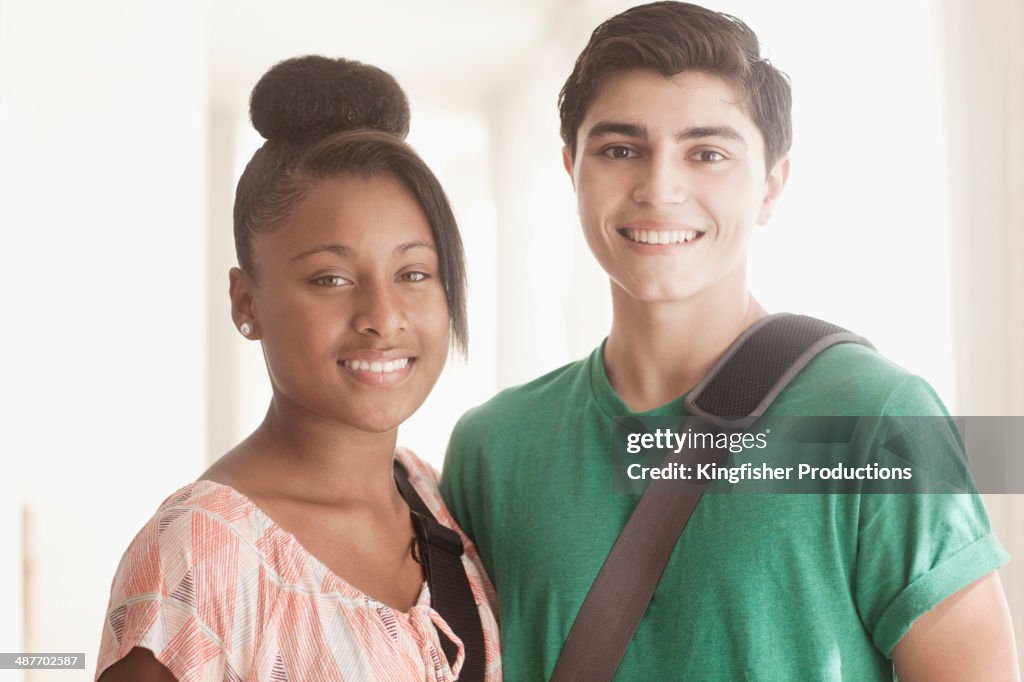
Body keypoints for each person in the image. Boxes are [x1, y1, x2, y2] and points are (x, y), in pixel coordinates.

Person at [441, 2, 1018, 680]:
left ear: (773, 185)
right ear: (572, 170)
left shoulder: (879, 421)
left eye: (707, 153)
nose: (659, 187)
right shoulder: (493, 447)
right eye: (620, 149)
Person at [96, 56, 500, 681]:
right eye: (330, 278)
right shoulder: (198, 556)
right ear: (246, 302)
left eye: (414, 273)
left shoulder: (430, 497)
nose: (382, 316)